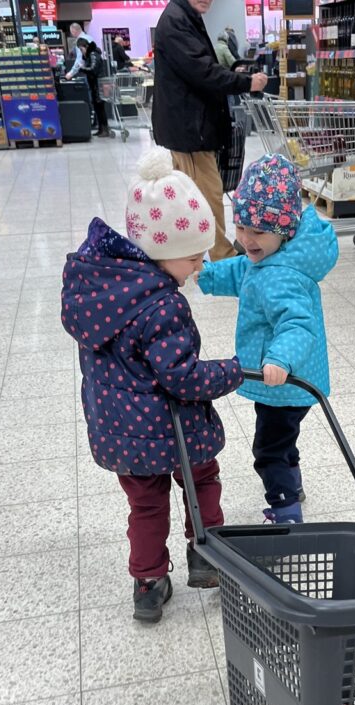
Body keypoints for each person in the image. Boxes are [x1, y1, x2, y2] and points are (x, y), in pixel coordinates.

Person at [60, 147, 243, 623]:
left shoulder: (106, 289)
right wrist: (232, 370)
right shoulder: (163, 305)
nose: (199, 267)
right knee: (201, 479)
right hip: (172, 425)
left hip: (121, 430)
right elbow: (183, 377)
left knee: (145, 503)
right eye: (194, 257)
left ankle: (147, 583)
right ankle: (207, 556)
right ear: (165, 251)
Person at [198, 154, 338, 524]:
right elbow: (241, 271)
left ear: (285, 230)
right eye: (241, 227)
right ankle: (293, 486)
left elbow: (297, 325)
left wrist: (279, 359)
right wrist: (208, 275)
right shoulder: (268, 259)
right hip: (288, 381)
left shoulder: (281, 277)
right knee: (283, 440)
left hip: (286, 379)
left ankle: (286, 511)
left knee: (268, 450)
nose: (246, 239)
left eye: (257, 232)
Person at [152, 0, 268, 262]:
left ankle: (189, 253)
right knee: (208, 194)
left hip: (189, 125)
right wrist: (246, 82)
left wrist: (233, 73)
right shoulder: (176, 21)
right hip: (190, 129)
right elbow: (202, 71)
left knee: (193, 195)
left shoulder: (184, 16)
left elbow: (199, 68)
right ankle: (221, 256)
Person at [76, 38, 113, 138]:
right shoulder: (91, 55)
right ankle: (101, 129)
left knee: (100, 108)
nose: (81, 52)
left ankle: (105, 129)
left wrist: (82, 69)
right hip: (96, 85)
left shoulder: (93, 55)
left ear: (86, 46)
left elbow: (93, 69)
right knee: (98, 108)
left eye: (81, 49)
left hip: (98, 85)